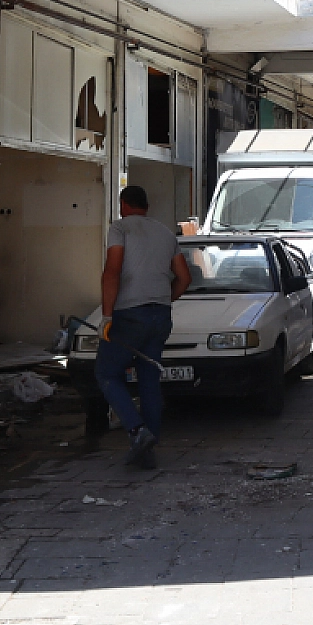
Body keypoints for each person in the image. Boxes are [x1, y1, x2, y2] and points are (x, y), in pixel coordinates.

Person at [96, 184, 191, 470]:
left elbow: (112, 270)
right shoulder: (165, 232)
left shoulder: (120, 228)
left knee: (107, 373)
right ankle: (148, 451)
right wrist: (163, 300)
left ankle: (138, 431)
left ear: (123, 204)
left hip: (129, 315)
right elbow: (184, 278)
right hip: (160, 316)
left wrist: (107, 316)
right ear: (146, 206)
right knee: (149, 379)